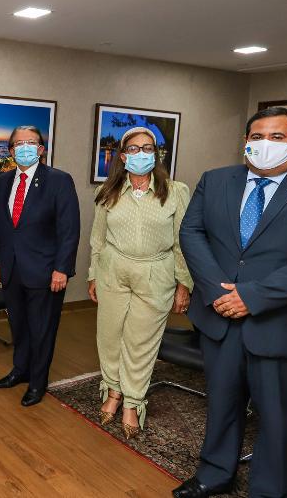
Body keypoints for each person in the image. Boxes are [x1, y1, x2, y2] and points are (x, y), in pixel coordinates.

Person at [174, 107, 287, 498]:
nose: (265, 144)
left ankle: (272, 491)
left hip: (284, 325)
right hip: (221, 319)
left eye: (277, 137)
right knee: (221, 405)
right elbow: (192, 233)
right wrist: (219, 293)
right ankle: (215, 474)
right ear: (245, 141)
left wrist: (252, 296)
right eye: (257, 137)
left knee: (278, 418)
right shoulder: (216, 180)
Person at [87, 127, 192, 439]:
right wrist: (93, 274)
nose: (141, 154)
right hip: (112, 271)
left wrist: (183, 283)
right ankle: (113, 391)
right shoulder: (106, 192)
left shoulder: (175, 191)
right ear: (123, 156)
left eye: (147, 148)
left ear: (156, 154)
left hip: (155, 273)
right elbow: (97, 239)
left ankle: (132, 401)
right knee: (109, 337)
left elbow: (183, 242)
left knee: (141, 342)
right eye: (133, 149)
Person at [0, 126, 79, 407]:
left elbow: (69, 230)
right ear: (11, 151)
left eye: (31, 142)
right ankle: (21, 370)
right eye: (19, 144)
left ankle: (38, 383)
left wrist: (62, 268)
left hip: (46, 271)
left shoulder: (59, 181)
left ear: (41, 149)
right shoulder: (2, 182)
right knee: (18, 325)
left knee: (42, 329)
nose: (25, 147)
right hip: (11, 267)